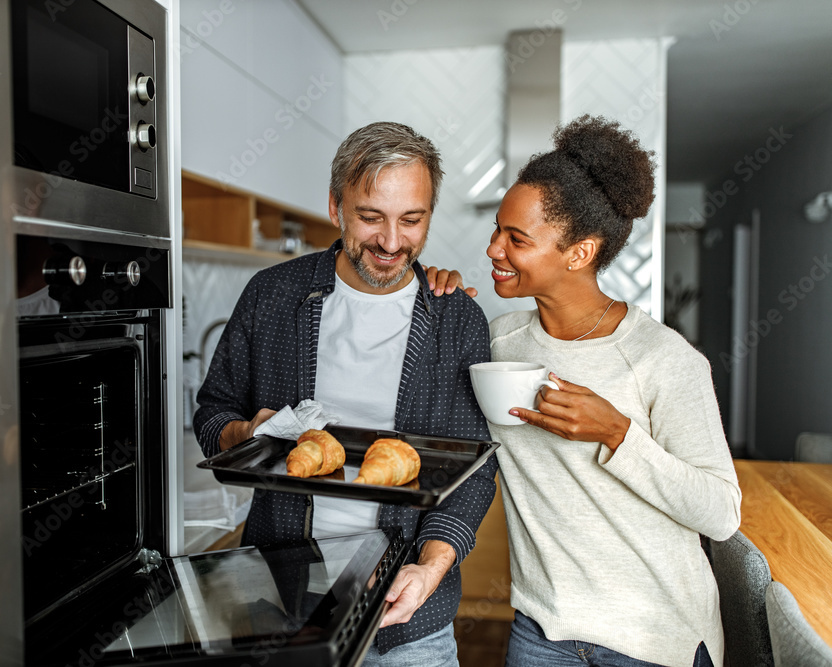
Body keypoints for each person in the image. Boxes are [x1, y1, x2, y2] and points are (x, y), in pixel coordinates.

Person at [194, 121, 497, 666]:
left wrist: (429, 570)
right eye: (370, 217)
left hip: (409, 623)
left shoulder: (457, 321)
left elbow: (472, 473)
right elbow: (214, 415)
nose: (390, 242)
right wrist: (246, 434)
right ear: (335, 207)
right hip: (281, 604)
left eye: (412, 220)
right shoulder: (272, 296)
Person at [481, 115, 741, 666]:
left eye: (515, 238)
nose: (493, 249)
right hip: (543, 629)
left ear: (579, 253)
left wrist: (618, 433)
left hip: (652, 637)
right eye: (497, 230)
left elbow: (721, 513)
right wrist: (433, 292)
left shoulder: (663, 359)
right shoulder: (499, 343)